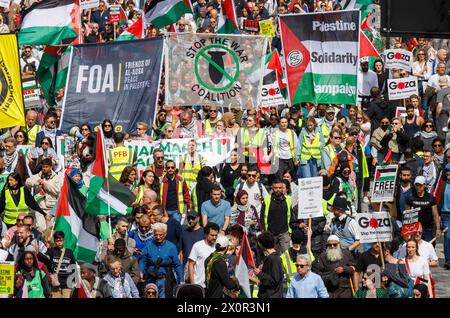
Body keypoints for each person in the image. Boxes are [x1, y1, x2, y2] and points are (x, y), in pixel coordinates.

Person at [138, 223, 183, 298]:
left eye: (161, 235)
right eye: (156, 235)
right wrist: (141, 271)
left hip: (165, 279)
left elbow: (177, 264)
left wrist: (181, 280)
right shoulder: (148, 245)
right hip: (151, 278)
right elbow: (143, 260)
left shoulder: (171, 247)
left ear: (165, 234)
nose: (158, 237)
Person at [25, 158, 61, 231]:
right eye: (43, 167)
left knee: (50, 229)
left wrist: (46, 186)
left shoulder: (57, 178)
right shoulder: (38, 175)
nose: (44, 168)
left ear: (51, 167)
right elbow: (27, 182)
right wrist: (35, 182)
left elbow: (58, 190)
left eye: (46, 167)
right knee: (40, 228)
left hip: (51, 208)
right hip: (39, 207)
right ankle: (41, 242)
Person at [406, 176, 442, 242]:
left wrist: (438, 229)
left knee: (429, 247)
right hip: (415, 228)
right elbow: (406, 214)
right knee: (416, 247)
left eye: (420, 185)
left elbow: (435, 215)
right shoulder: (410, 197)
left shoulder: (431, 198)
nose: (418, 187)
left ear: (424, 185)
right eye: (416, 185)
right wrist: (407, 230)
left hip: (428, 228)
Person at [261, 179, 293, 253]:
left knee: (287, 254)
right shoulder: (267, 200)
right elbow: (262, 217)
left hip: (284, 232)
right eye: (276, 188)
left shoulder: (288, 199)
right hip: (270, 232)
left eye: (280, 188)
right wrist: (264, 231)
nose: (278, 189)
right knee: (270, 254)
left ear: (282, 188)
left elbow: (291, 216)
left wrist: (290, 231)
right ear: (272, 188)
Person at [252, 231, 284, 298]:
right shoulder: (270, 258)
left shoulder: (274, 259)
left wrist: (260, 274)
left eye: (259, 243)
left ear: (262, 244)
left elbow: (274, 281)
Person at [46, 231, 76, 298]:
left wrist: (74, 281)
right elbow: (46, 261)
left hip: (67, 284)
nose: (59, 242)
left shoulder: (69, 252)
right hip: (55, 283)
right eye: (57, 241)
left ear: (64, 240)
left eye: (61, 240)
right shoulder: (51, 251)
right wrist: (47, 246)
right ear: (54, 241)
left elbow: (73, 267)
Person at [188, 222, 218, 286]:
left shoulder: (217, 247)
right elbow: (191, 264)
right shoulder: (197, 245)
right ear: (206, 234)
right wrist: (192, 283)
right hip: (198, 284)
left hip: (212, 286)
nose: (214, 237)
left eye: (216, 235)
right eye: (212, 235)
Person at [437, 163, 450, 269]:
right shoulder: (443, 184)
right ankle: (448, 260)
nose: (449, 175)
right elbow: (439, 200)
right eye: (447, 173)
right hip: (445, 214)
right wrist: (439, 215)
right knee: (448, 237)